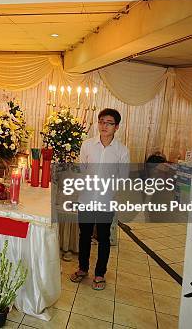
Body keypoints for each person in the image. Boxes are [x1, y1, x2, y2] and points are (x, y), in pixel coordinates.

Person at [70, 108, 130, 290]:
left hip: (105, 200)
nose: (104, 126)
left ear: (116, 127)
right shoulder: (87, 145)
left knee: (103, 237)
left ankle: (100, 273)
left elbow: (123, 177)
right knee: (84, 235)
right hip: (86, 198)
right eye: (101, 121)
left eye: (109, 123)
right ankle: (82, 268)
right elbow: (82, 169)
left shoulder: (122, 151)